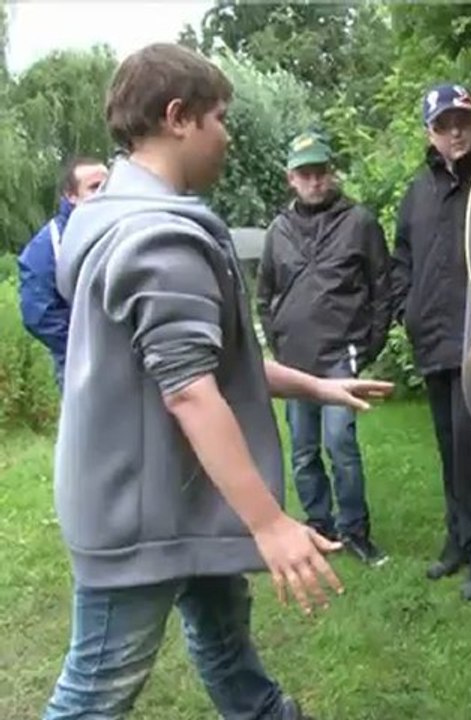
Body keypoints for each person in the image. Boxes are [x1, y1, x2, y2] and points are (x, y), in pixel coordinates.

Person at [44, 43, 393, 720]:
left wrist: (319, 386)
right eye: (221, 118)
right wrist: (269, 522)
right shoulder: (158, 240)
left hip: (184, 501)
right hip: (142, 516)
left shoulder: (113, 220)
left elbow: (210, 365)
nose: (228, 136)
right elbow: (188, 391)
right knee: (95, 691)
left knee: (225, 643)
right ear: (179, 118)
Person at [391, 83, 471, 601]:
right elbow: (402, 259)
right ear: (430, 134)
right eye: (443, 124)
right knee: (447, 444)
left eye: (462, 120)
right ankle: (458, 538)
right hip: (432, 335)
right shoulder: (418, 190)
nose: (455, 131)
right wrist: (406, 309)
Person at [257, 128, 391, 567]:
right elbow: (265, 294)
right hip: (295, 360)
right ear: (290, 179)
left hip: (341, 356)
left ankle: (355, 530)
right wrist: (276, 339)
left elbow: (381, 288)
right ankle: (319, 526)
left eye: (320, 172)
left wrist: (368, 343)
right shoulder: (277, 231)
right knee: (303, 449)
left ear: (331, 174)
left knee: (340, 443)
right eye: (304, 174)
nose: (314, 181)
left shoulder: (360, 222)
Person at [17, 156, 108, 390]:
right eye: (94, 187)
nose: (104, 194)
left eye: (108, 186)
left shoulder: (120, 229)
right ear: (71, 196)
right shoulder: (50, 243)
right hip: (80, 367)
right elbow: (38, 311)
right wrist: (80, 346)